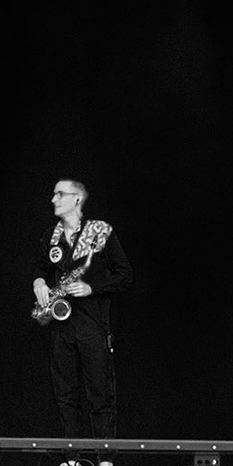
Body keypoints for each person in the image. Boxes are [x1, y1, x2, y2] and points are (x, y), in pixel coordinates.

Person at [32, 178, 133, 443]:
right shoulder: (49, 236)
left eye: (59, 194)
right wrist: (39, 282)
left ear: (77, 198)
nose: (53, 199)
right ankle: (71, 458)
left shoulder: (100, 231)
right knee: (65, 397)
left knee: (100, 395)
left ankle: (105, 460)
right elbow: (41, 268)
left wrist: (91, 288)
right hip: (61, 326)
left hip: (93, 325)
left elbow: (125, 275)